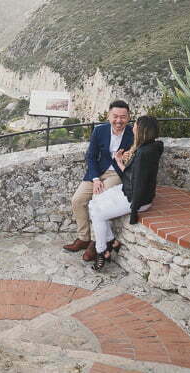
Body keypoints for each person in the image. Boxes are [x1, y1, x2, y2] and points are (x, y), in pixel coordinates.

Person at [87, 115, 163, 271]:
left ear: (142, 130)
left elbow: (137, 185)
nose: (133, 127)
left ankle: (101, 251)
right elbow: (131, 177)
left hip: (136, 198)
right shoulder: (149, 147)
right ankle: (112, 241)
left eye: (135, 125)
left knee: (99, 214)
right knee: (93, 203)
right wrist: (120, 161)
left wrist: (134, 211)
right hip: (129, 191)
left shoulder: (143, 154)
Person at [63, 99, 134, 262]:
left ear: (128, 117)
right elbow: (91, 156)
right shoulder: (99, 131)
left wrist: (124, 162)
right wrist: (95, 178)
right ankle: (83, 237)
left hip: (116, 174)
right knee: (77, 200)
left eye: (123, 117)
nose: (118, 121)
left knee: (98, 199)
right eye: (115, 116)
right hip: (96, 174)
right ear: (109, 116)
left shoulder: (132, 133)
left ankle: (95, 243)